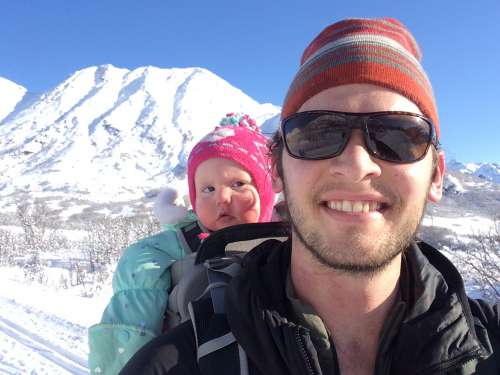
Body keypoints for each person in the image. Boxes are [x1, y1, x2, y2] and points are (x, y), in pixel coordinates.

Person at [120, 18, 500, 375]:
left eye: (398, 136)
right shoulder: (174, 365)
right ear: (277, 169)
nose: (355, 164)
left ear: (436, 175)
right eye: (317, 134)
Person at [87, 113, 276, 374]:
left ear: (266, 192)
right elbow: (131, 342)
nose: (222, 197)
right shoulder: (166, 254)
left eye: (238, 183)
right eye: (207, 189)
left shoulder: (290, 245)